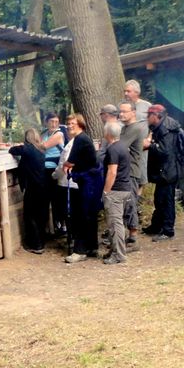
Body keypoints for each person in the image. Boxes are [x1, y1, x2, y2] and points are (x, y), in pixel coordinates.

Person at [59, 114, 102, 263]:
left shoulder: (80, 139)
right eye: (68, 123)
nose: (69, 126)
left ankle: (80, 251)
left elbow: (70, 162)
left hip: (89, 182)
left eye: (73, 123)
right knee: (89, 215)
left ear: (80, 125)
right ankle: (92, 247)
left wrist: (66, 166)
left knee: (83, 215)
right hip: (91, 181)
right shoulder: (81, 138)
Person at [144, 104, 182, 241]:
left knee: (166, 201)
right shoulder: (163, 126)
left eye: (149, 115)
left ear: (156, 116)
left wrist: (150, 145)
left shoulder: (166, 128)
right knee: (159, 200)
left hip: (168, 172)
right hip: (165, 171)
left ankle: (167, 230)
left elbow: (165, 151)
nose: (147, 118)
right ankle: (156, 226)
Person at [9, 129, 50, 254]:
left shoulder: (28, 149)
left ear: (27, 138)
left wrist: (17, 145)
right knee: (41, 215)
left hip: (33, 187)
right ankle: (41, 242)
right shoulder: (41, 149)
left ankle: (36, 245)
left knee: (31, 215)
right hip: (43, 186)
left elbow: (12, 150)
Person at [101, 121, 132, 265]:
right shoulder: (123, 147)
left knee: (115, 224)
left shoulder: (113, 149)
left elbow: (112, 172)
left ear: (107, 133)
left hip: (116, 190)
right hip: (125, 188)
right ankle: (114, 250)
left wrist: (106, 191)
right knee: (117, 222)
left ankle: (119, 254)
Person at [119, 101, 149, 246]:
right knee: (125, 203)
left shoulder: (135, 128)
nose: (121, 114)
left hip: (131, 170)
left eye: (125, 111)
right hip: (123, 170)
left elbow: (120, 146)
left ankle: (133, 235)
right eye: (121, 111)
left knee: (130, 202)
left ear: (133, 112)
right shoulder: (124, 128)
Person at [40, 113, 68, 238]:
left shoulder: (59, 134)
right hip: (44, 170)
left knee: (57, 199)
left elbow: (42, 147)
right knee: (46, 199)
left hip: (56, 169)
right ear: (46, 122)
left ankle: (62, 226)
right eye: (51, 121)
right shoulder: (44, 133)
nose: (54, 124)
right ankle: (49, 227)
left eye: (56, 121)